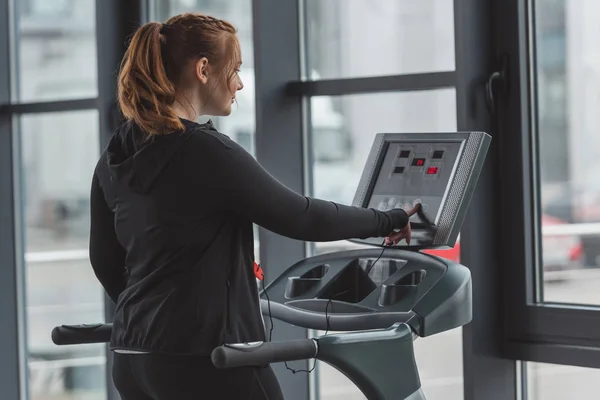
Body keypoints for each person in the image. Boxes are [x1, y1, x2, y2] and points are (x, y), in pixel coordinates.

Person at [89, 12, 418, 400]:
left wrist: (151, 312)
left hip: (134, 358)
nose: (240, 84)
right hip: (207, 357)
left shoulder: (115, 155)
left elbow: (104, 260)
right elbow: (302, 216)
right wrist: (387, 220)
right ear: (204, 68)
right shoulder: (205, 151)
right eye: (236, 69)